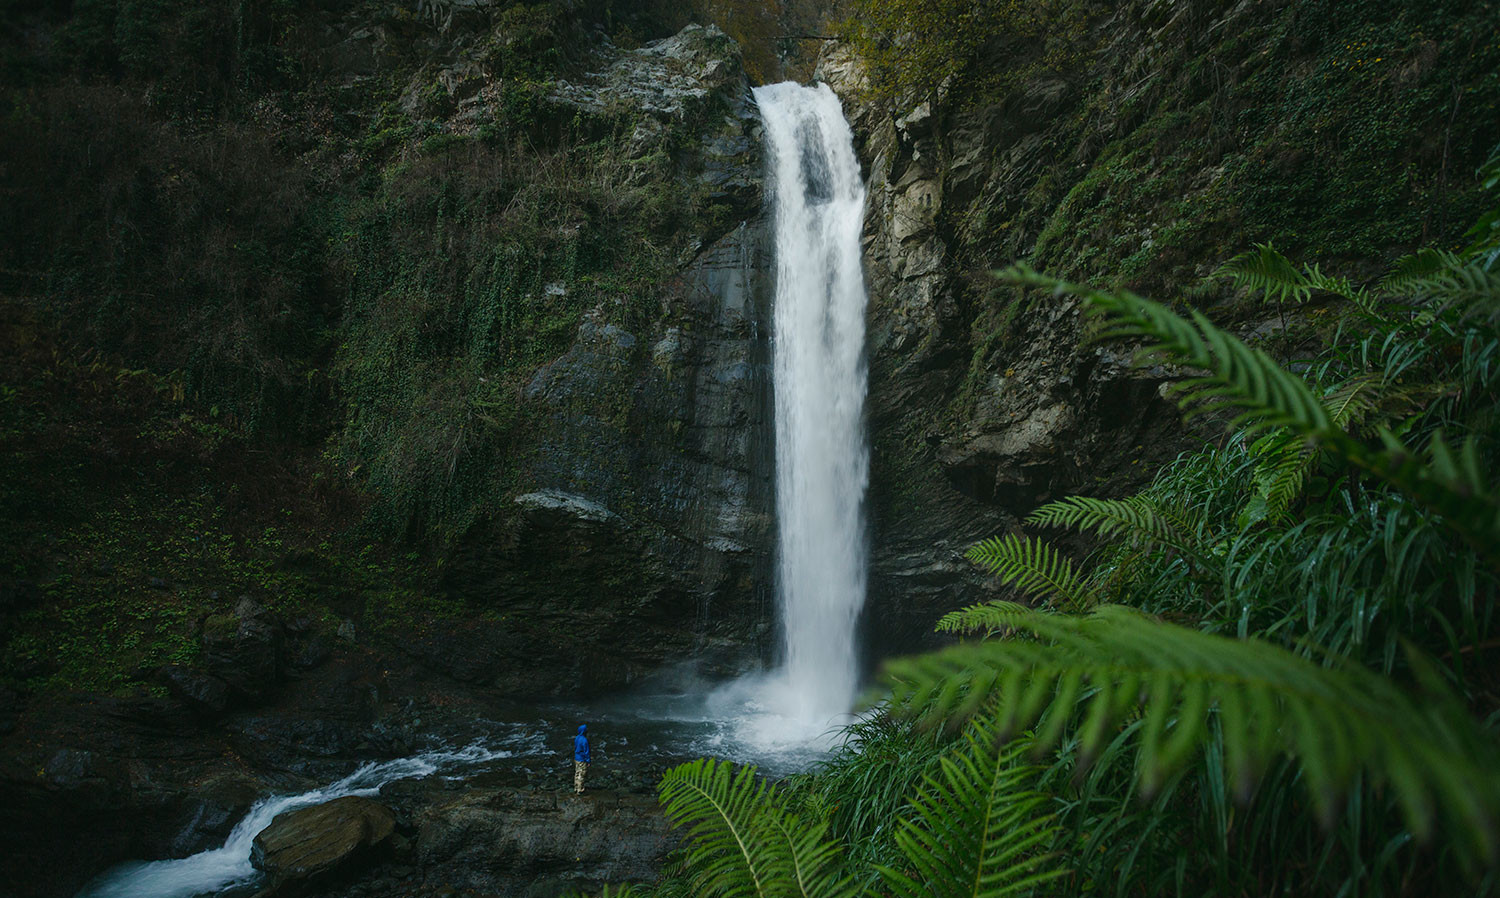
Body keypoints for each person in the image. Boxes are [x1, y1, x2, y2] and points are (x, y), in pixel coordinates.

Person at [573, 723, 591, 794]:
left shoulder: (577, 738)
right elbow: (586, 752)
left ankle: (576, 787)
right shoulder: (584, 740)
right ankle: (580, 790)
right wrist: (588, 761)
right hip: (582, 759)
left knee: (577, 773)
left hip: (576, 757)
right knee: (582, 774)